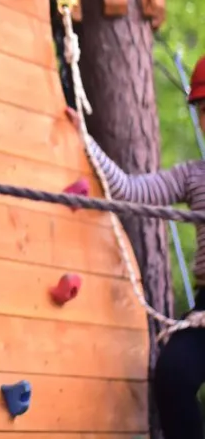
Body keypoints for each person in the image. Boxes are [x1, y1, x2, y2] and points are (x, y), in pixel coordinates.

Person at [67, 54, 205, 439]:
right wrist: (86, 143)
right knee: (174, 376)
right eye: (203, 110)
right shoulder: (194, 177)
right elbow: (130, 191)